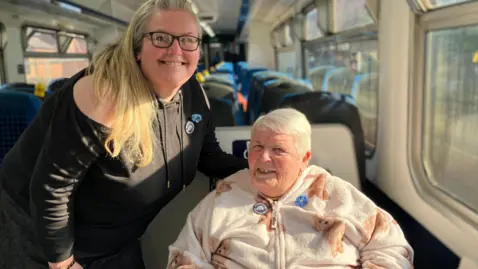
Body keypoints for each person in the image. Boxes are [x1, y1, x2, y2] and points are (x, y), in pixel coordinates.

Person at [0, 0, 247, 268]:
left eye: (188, 40)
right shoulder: (103, 94)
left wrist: (268, 171)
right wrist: (63, 262)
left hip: (118, 236)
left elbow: (209, 156)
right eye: (161, 38)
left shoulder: (194, 96)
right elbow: (53, 187)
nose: (176, 49)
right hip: (42, 235)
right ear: (138, 48)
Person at [167, 108, 414, 269]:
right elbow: (184, 256)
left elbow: (391, 247)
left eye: (278, 150)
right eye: (256, 147)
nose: (263, 158)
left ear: (304, 159)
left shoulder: (336, 194)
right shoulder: (224, 196)